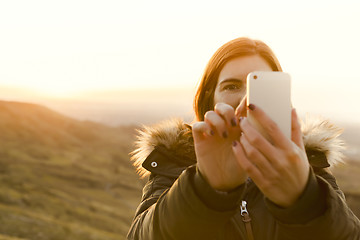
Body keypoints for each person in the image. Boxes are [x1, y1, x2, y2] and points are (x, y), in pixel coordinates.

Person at [126, 37, 360, 240]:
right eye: (232, 86)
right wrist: (204, 188)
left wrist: (304, 200)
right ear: (210, 97)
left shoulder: (308, 168)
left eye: (259, 88)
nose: (246, 100)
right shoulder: (172, 165)